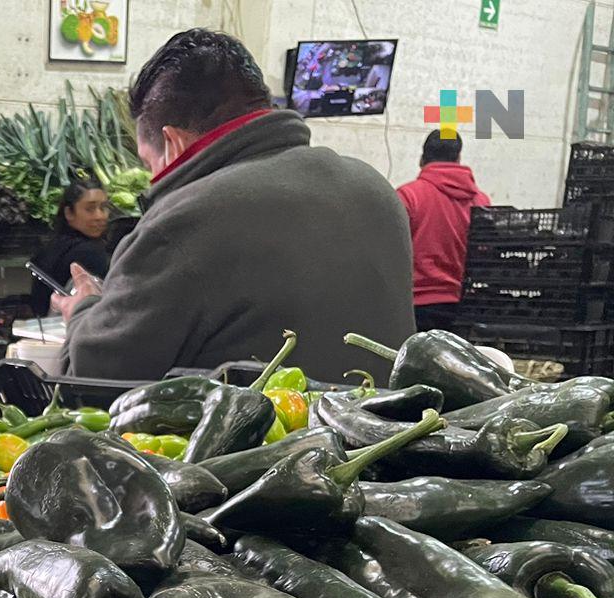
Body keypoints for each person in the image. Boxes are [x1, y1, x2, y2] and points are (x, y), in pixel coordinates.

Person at [58, 29, 415, 383]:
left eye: (149, 163)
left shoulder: (185, 221)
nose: (152, 178)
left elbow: (93, 380)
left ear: (173, 142)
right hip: (394, 433)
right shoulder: (376, 189)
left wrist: (83, 309)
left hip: (272, 440)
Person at [397, 130, 490, 331]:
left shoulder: (408, 196)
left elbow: (388, 251)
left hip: (414, 308)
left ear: (422, 159)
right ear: (458, 158)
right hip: (463, 309)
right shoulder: (481, 202)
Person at [30, 177, 113, 314]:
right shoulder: (88, 253)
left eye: (103, 208)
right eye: (90, 209)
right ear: (69, 213)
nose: (100, 216)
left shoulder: (54, 246)